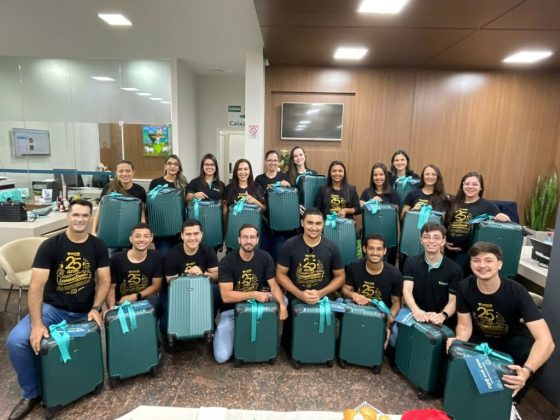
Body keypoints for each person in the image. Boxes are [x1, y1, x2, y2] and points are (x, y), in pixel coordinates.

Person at [6, 199, 110, 420]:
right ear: (67, 217)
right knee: (16, 341)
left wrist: (96, 308)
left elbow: (104, 280)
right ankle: (31, 393)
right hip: (53, 309)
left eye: (85, 215)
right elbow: (36, 286)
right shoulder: (50, 246)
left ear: (90, 218)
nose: (80, 219)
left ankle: (80, 380)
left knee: (81, 350)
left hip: (83, 311)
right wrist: (36, 324)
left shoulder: (98, 246)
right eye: (76, 215)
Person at [449, 242, 555, 402]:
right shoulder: (464, 287)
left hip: (510, 340)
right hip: (480, 339)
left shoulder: (517, 291)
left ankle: (512, 401)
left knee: (535, 357)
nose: (482, 265)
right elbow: (464, 326)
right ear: (470, 264)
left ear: (499, 264)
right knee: (452, 347)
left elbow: (546, 341)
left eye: (488, 260)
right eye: (476, 260)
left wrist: (526, 371)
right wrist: (458, 343)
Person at [213, 224, 287, 363]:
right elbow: (226, 296)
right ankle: (235, 334)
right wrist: (254, 294)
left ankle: (259, 333)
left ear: (257, 240)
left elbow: (273, 285)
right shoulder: (227, 261)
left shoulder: (265, 257)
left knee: (283, 301)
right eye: (245, 237)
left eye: (252, 237)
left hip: (257, 309)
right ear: (239, 239)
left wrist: (282, 305)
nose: (248, 241)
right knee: (221, 357)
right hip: (231, 312)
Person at [276, 208, 345, 352]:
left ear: (323, 224)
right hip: (296, 298)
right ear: (302, 223)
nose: (314, 227)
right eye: (310, 223)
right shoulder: (289, 245)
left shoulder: (332, 247)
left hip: (322, 300)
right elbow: (280, 274)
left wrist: (321, 293)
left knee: (320, 348)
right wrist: (299, 294)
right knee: (291, 348)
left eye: (318, 223)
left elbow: (340, 276)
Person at [342, 234, 402, 347]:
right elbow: (345, 290)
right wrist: (353, 294)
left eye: (379, 249)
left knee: (394, 340)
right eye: (371, 248)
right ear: (364, 249)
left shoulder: (395, 274)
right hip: (357, 309)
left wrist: (390, 317)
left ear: (384, 251)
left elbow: (396, 301)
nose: (375, 252)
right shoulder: (354, 266)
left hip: (380, 314)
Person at [445, 172, 510, 275]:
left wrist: (505, 217)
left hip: (469, 254)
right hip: (447, 251)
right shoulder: (454, 203)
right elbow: (444, 224)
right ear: (462, 185)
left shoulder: (488, 206)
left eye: (475, 184)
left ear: (481, 188)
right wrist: (444, 241)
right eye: (467, 184)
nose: (470, 187)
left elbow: (503, 224)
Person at [401, 223, 463, 328]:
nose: (431, 241)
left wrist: (442, 315)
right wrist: (416, 310)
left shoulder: (455, 269)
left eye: (436, 238)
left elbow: (453, 300)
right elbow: (407, 290)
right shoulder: (410, 262)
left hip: (441, 322)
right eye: (426, 237)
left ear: (443, 241)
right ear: (421, 240)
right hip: (414, 315)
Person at [163, 219, 219, 333]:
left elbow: (217, 276)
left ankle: (208, 322)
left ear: (201, 235)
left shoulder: (208, 251)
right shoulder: (172, 254)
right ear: (182, 236)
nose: (192, 238)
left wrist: (203, 274)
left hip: (201, 290)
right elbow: (171, 283)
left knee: (216, 290)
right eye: (188, 234)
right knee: (165, 327)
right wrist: (186, 276)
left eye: (196, 234)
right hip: (179, 293)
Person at [92, 160, 147, 254]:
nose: (124, 174)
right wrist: (94, 231)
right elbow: (99, 211)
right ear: (116, 172)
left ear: (133, 172)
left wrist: (143, 234)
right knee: (111, 260)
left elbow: (142, 216)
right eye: (121, 171)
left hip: (132, 237)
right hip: (110, 235)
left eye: (128, 171)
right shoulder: (109, 188)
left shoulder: (140, 190)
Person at [106, 223, 163, 311]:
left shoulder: (156, 257)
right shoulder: (115, 260)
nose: (142, 240)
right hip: (122, 302)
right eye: (137, 236)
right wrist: (111, 309)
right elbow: (111, 287)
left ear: (151, 239)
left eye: (146, 236)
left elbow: (156, 286)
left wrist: (136, 296)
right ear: (131, 239)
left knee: (155, 301)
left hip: (144, 300)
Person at [255, 150, 292, 262]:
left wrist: (289, 187)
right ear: (265, 162)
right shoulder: (259, 179)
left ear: (279, 162)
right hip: (264, 222)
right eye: (270, 160)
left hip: (281, 223)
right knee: (264, 253)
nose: (272, 163)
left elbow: (291, 200)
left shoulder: (285, 177)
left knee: (278, 254)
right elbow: (258, 200)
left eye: (275, 160)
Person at [360, 162, 400, 265]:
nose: (378, 177)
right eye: (375, 175)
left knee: (388, 265)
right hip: (369, 236)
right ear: (372, 177)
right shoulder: (366, 192)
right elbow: (360, 206)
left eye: (381, 174)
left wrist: (398, 239)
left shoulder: (393, 193)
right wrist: (370, 202)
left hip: (389, 238)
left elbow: (396, 216)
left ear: (385, 176)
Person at [148, 154, 188, 255]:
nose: (172, 166)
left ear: (179, 167)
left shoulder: (183, 183)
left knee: (178, 257)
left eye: (176, 164)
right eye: (169, 163)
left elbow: (185, 204)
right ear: (165, 166)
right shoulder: (155, 182)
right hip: (161, 229)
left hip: (178, 230)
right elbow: (150, 206)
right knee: (164, 257)